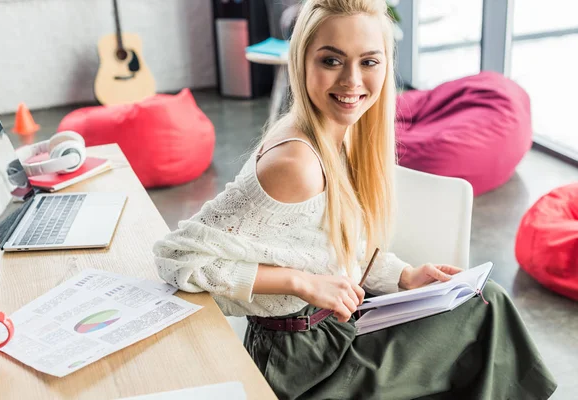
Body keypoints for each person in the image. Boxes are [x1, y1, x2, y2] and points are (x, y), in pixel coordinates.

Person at [154, 0, 557, 398]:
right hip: (303, 366)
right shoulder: (297, 163)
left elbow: (330, 248)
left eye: (368, 62)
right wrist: (301, 283)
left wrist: (403, 276)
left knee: (483, 302)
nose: (352, 81)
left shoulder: (340, 135)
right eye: (331, 61)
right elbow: (176, 258)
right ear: (301, 61)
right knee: (488, 313)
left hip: (335, 330)